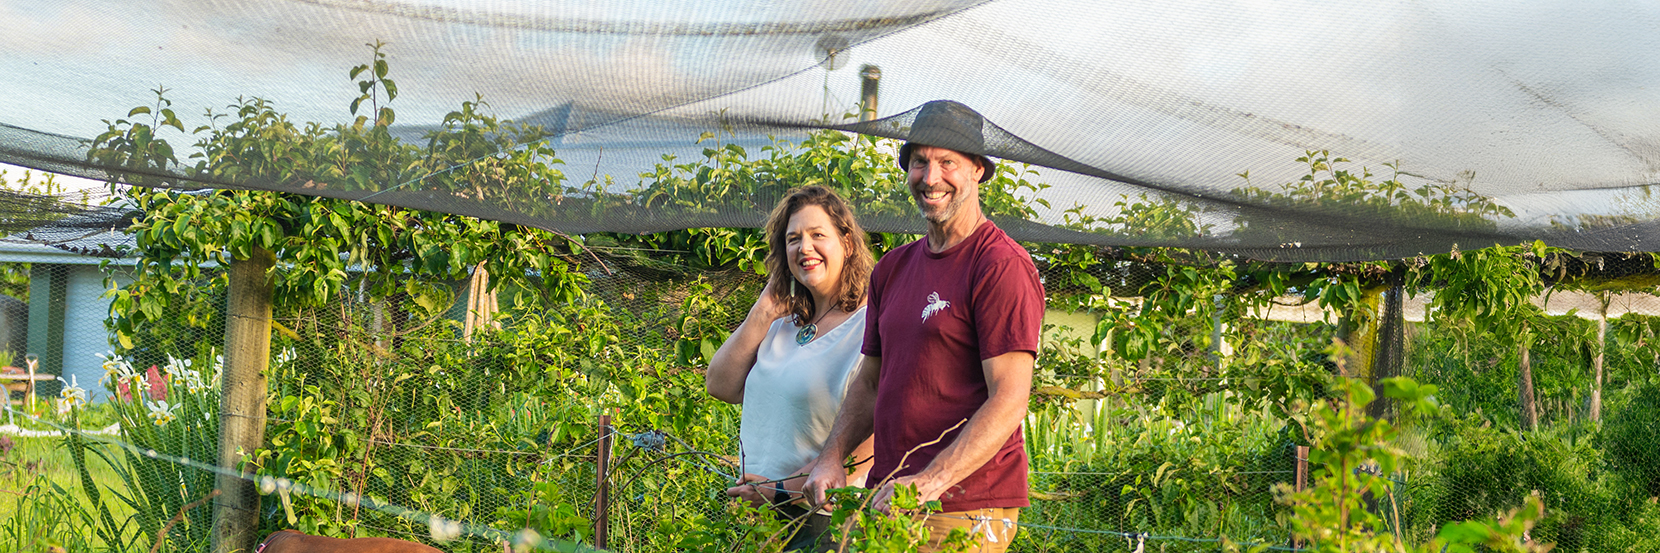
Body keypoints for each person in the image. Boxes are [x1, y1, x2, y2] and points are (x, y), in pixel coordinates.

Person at [801, 100, 1045, 553]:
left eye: (947, 162)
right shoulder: (892, 269)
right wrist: (831, 456)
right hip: (887, 500)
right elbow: (871, 383)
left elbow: (1010, 398)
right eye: (919, 162)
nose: (931, 178)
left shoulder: (999, 266)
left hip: (965, 508)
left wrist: (929, 480)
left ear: (977, 171)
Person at [705, 185, 877, 551]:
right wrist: (764, 310)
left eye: (818, 235)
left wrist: (778, 491)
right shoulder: (784, 324)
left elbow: (870, 449)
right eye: (793, 239)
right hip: (760, 515)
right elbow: (720, 384)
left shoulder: (869, 327)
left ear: (847, 243)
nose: (805, 248)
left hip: (823, 520)